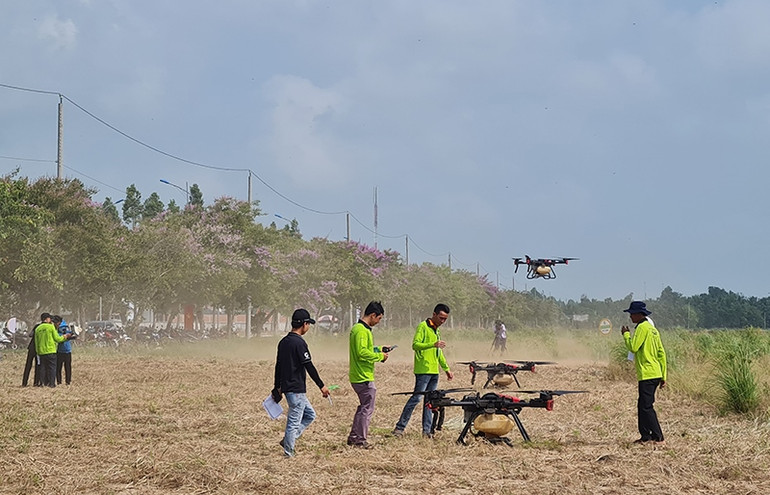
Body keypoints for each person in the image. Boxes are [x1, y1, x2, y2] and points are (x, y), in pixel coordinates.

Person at [272, 308, 330, 457]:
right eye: (308, 324)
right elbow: (308, 365)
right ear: (304, 324)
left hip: (288, 388)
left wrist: (277, 386)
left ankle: (287, 440)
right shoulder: (299, 343)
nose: (308, 327)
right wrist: (321, 385)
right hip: (296, 390)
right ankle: (288, 452)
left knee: (310, 415)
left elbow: (278, 366)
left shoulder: (283, 342)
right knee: (293, 422)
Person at [393, 303, 454, 438]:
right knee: (416, 398)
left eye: (445, 319)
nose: (442, 321)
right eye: (441, 318)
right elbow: (415, 345)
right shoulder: (423, 326)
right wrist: (432, 344)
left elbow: (439, 353)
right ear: (434, 314)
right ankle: (399, 428)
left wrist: (446, 369)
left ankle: (427, 431)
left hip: (434, 372)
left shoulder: (436, 330)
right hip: (423, 371)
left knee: (429, 402)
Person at [621, 301, 667, 445]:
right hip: (656, 372)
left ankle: (658, 436)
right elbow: (661, 353)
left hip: (647, 373)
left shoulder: (642, 328)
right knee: (643, 405)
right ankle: (645, 436)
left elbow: (633, 347)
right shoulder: (653, 330)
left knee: (646, 407)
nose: (630, 317)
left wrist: (626, 335)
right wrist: (664, 375)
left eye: (632, 314)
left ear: (639, 314)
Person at [347, 301, 390, 448]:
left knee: (363, 407)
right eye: (379, 318)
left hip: (359, 375)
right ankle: (360, 440)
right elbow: (362, 352)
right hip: (363, 376)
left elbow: (367, 348)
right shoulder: (361, 330)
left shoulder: (360, 329)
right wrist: (380, 357)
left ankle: (354, 436)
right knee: (367, 409)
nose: (378, 322)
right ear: (373, 315)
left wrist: (379, 349)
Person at [35, 313, 72, 388]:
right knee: (52, 368)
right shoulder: (50, 327)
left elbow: (36, 342)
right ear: (46, 319)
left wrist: (38, 351)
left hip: (41, 351)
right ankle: (52, 383)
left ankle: (42, 383)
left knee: (43, 368)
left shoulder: (38, 329)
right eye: (49, 318)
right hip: (51, 351)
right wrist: (65, 337)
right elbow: (57, 338)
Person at [22, 319, 43, 387]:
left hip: (31, 348)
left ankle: (24, 382)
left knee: (28, 365)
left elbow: (30, 335)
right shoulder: (47, 327)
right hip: (38, 349)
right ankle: (36, 383)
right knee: (38, 366)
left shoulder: (37, 326)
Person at [56, 317, 74, 385]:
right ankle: (68, 381)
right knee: (68, 367)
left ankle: (59, 381)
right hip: (67, 350)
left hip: (61, 350)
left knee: (59, 368)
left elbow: (58, 337)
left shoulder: (58, 327)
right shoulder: (66, 326)